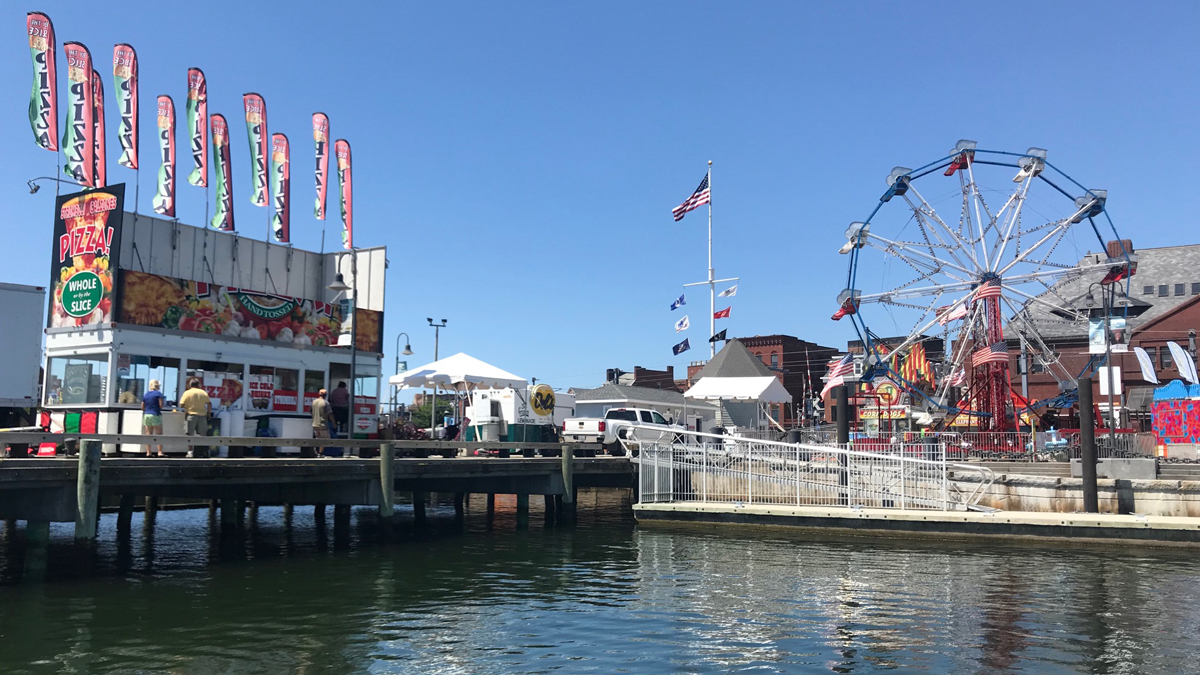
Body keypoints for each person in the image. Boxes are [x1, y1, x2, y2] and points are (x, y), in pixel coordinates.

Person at [179, 378, 212, 458]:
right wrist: (209, 413)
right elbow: (209, 403)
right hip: (202, 416)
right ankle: (204, 451)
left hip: (191, 415)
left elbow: (181, 404)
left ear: (190, 385)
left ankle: (190, 452)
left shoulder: (187, 393)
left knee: (190, 434)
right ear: (198, 385)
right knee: (203, 434)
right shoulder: (203, 392)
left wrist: (188, 406)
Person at [142, 379, 167, 457]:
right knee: (159, 434)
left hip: (147, 415)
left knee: (148, 434)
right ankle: (160, 452)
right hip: (155, 414)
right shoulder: (159, 394)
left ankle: (148, 452)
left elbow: (142, 407)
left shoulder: (146, 394)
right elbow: (161, 406)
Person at [310, 388, 334, 458]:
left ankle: (315, 451)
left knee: (317, 438)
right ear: (325, 395)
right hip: (323, 424)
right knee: (324, 439)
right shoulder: (326, 403)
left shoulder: (314, 402)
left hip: (315, 424)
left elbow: (311, 411)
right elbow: (330, 414)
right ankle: (320, 453)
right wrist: (334, 423)